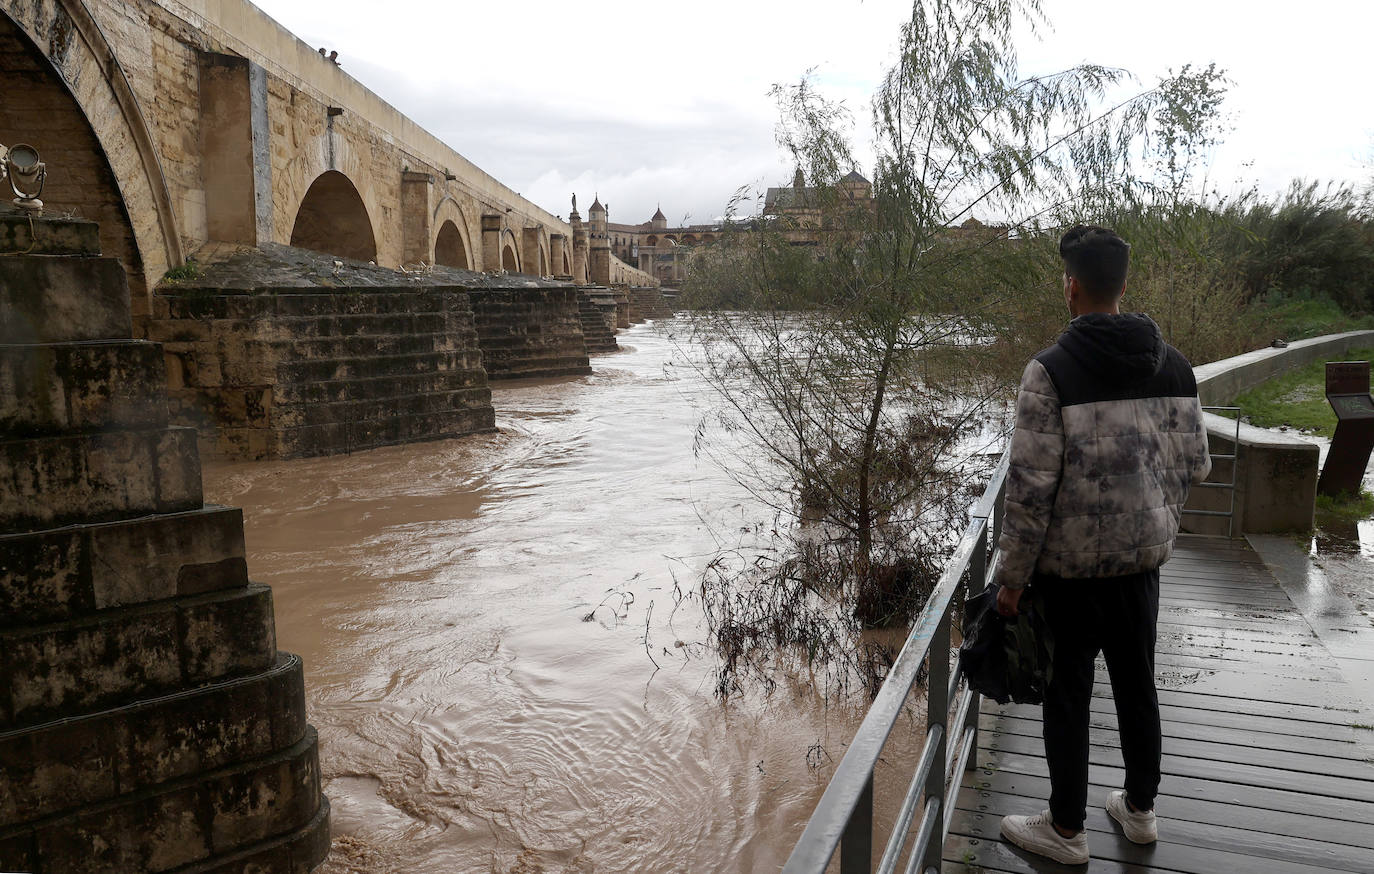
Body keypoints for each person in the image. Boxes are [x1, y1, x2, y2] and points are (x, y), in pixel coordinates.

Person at [994, 225, 1212, 865]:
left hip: (1068, 576)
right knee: (1137, 687)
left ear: (1071, 286)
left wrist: (1010, 581)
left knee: (1068, 698)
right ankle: (1139, 811)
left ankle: (1066, 832)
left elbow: (1030, 491)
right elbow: (1196, 464)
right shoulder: (1173, 365)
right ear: (1123, 286)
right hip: (1141, 567)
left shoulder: (1051, 372)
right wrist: (1150, 514)